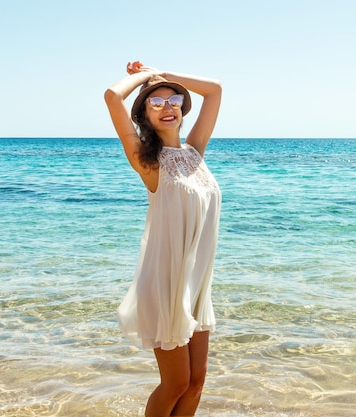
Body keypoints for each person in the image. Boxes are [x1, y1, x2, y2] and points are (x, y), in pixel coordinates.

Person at [104, 61, 222, 417]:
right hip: (166, 284)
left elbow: (214, 90)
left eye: (173, 100)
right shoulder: (148, 160)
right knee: (175, 383)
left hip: (198, 285)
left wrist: (164, 73)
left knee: (197, 380)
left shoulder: (195, 151)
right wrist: (146, 78)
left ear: (183, 110)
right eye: (156, 103)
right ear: (144, 115)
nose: (167, 107)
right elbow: (112, 96)